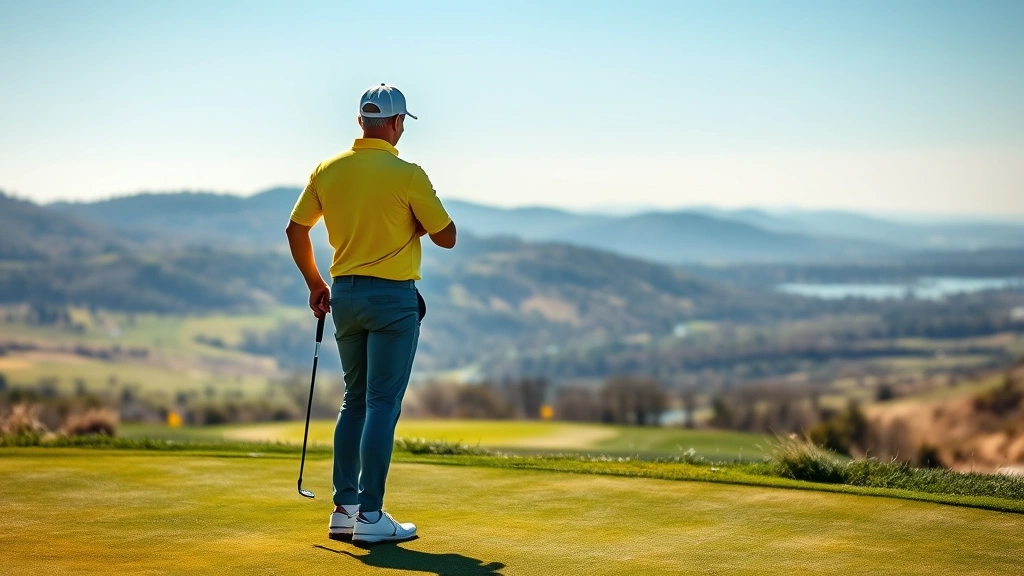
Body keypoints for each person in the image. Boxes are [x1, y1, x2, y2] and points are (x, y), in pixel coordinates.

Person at [285, 84, 457, 544]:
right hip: (393, 301)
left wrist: (315, 285)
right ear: (398, 124)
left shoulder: (328, 170)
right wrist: (418, 223)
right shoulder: (408, 173)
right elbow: (447, 236)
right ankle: (372, 516)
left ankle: (344, 510)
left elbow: (296, 229)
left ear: (362, 121)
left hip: (343, 296)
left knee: (354, 400)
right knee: (382, 403)